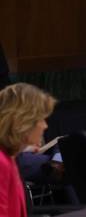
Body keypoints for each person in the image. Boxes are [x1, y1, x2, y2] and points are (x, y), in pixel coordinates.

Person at [0, 83, 56, 217]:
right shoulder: (2, 162)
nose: (45, 125)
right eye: (41, 119)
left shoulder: (10, 157)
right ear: (24, 121)